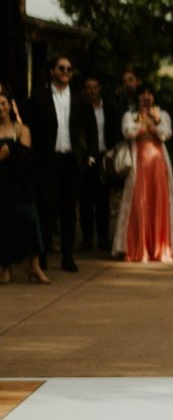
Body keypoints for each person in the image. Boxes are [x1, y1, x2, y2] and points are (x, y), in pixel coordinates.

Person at [28, 55, 97, 273]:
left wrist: (90, 156)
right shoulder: (39, 96)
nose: (66, 71)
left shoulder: (80, 97)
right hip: (48, 160)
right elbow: (31, 128)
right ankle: (43, 256)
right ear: (52, 71)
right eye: (61, 67)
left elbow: (91, 128)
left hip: (72, 160)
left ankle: (68, 257)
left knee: (69, 210)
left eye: (69, 68)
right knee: (45, 208)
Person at [112, 86, 173, 262]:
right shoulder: (129, 116)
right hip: (138, 165)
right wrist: (139, 122)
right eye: (142, 94)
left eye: (149, 94)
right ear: (138, 98)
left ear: (153, 97)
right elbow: (127, 132)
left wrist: (156, 121)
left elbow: (166, 134)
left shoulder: (162, 114)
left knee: (159, 202)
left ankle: (160, 247)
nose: (146, 97)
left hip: (158, 164)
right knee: (138, 203)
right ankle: (138, 248)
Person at [0, 89, 49, 284]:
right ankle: (6, 267)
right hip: (1, 185)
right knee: (3, 224)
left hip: (20, 184)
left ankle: (34, 266)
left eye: (4, 103)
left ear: (10, 106)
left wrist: (12, 154)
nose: (1, 108)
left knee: (31, 220)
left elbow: (26, 158)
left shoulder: (22, 129)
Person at [78, 76, 118, 252]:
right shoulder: (79, 108)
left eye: (95, 87)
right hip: (86, 156)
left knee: (103, 200)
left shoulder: (108, 108)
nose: (92, 91)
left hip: (103, 155)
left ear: (99, 88)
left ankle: (103, 238)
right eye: (88, 88)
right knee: (85, 199)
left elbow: (114, 131)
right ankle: (87, 239)